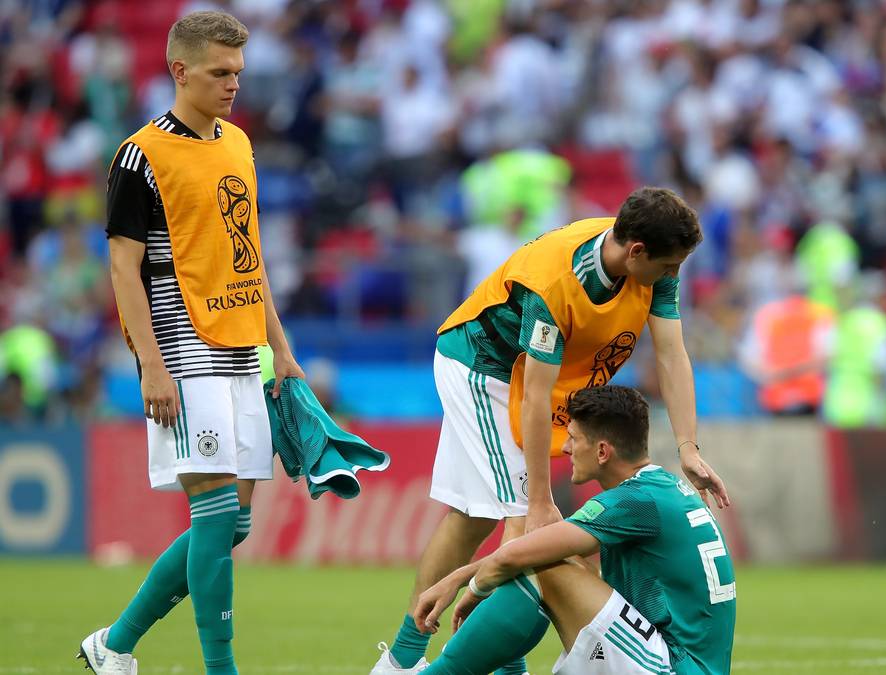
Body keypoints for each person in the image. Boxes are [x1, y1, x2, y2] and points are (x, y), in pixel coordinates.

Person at [371, 187, 730, 675]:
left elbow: (671, 354)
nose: (674, 276)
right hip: (485, 367)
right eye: (668, 266)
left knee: (474, 520)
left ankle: (399, 662)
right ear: (636, 251)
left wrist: (688, 447)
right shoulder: (556, 282)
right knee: (527, 523)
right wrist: (539, 496)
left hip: (536, 379)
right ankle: (493, 669)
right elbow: (534, 397)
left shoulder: (651, 260)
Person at [79, 12, 304, 675]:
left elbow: (248, 257)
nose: (234, 84)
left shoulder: (237, 143)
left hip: (241, 352)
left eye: (238, 72)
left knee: (232, 524)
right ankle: (221, 668)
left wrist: (281, 350)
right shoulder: (139, 156)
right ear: (180, 71)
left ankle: (113, 645)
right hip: (182, 351)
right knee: (211, 516)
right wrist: (150, 362)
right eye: (219, 72)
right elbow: (123, 267)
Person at [412, 385, 736, 675]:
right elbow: (536, 550)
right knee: (551, 559)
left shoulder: (631, 501)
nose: (566, 448)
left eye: (574, 438)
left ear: (602, 451)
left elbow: (518, 556)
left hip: (671, 665)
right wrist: (458, 577)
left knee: (546, 568)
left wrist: (472, 592)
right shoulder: (661, 488)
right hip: (676, 659)